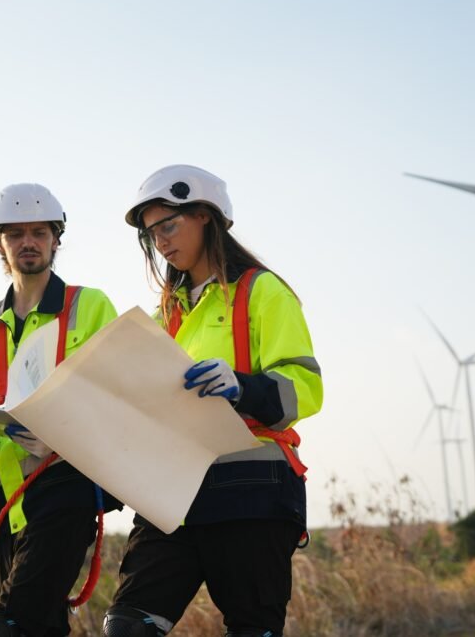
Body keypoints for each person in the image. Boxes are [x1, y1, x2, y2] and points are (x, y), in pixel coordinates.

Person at [103, 165, 323, 637]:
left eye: (168, 226)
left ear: (205, 216)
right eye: (150, 234)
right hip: (176, 488)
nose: (159, 242)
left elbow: (306, 386)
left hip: (252, 485)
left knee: (252, 629)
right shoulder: (169, 311)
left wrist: (243, 385)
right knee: (127, 625)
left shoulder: (263, 292)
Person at [0, 183, 121, 637]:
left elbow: (119, 392)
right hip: (0, 498)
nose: (28, 242)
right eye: (15, 234)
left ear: (56, 238)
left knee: (6, 625)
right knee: (41, 626)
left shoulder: (90, 308)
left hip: (67, 481)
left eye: (38, 231)